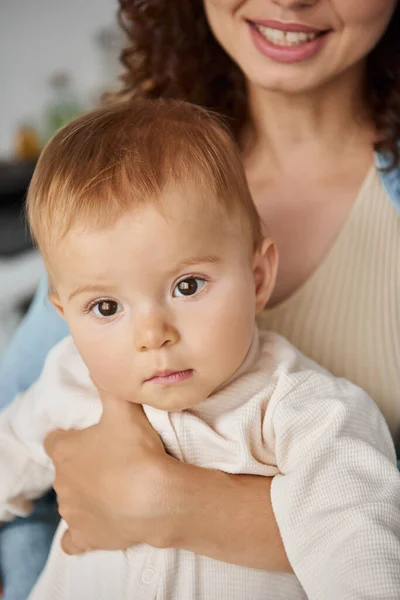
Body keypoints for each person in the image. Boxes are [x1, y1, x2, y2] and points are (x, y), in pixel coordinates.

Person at [1, 0, 400, 597]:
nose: (152, 332)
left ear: (259, 276)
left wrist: (167, 503)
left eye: (187, 287)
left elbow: (357, 549)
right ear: (67, 314)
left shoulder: (300, 410)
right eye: (106, 308)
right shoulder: (69, 378)